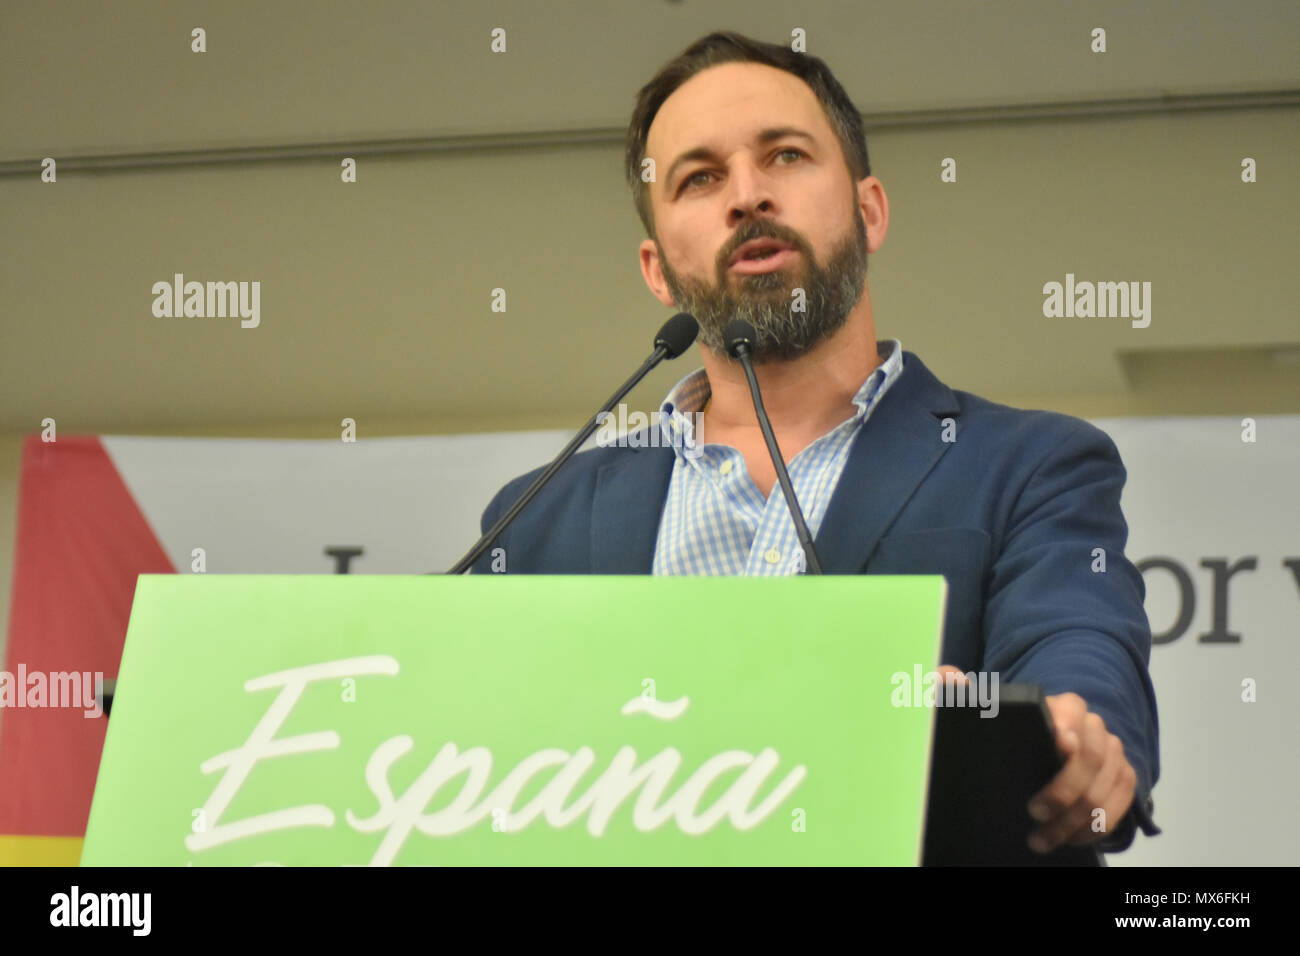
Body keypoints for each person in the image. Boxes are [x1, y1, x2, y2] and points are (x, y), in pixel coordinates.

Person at [472, 31, 1159, 855]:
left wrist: (1067, 731)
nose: (747, 196)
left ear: (869, 211)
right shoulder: (533, 520)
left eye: (786, 157)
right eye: (699, 178)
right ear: (658, 271)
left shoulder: (1031, 467)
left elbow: (1078, 650)